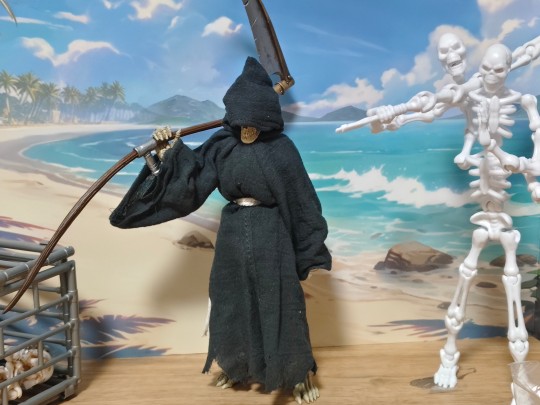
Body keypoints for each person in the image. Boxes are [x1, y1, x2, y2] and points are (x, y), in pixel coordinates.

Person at [110, 57, 332, 403]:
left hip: (271, 235)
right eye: (242, 119)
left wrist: (309, 251)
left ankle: (297, 373)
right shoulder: (222, 144)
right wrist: (169, 152)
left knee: (283, 303)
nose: (247, 129)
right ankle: (236, 366)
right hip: (231, 234)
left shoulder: (282, 149)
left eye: (253, 120)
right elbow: (192, 181)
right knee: (231, 300)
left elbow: (302, 199)